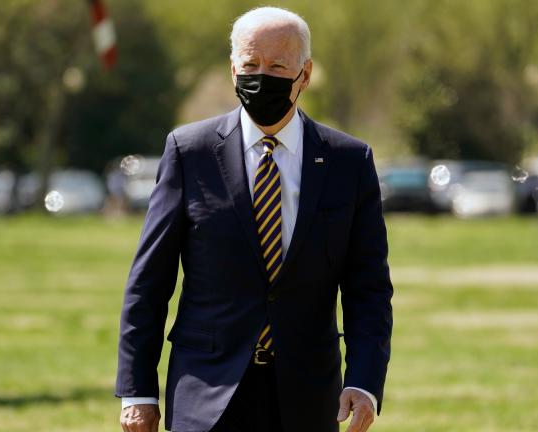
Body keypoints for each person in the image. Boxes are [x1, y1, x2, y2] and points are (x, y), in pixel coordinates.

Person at [116, 7, 392, 432]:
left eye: (278, 66)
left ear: (305, 73)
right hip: (205, 392)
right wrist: (138, 391)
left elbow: (368, 288)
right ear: (233, 69)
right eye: (250, 64)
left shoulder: (348, 162)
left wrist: (365, 381)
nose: (261, 76)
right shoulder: (190, 153)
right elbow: (149, 282)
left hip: (308, 397)